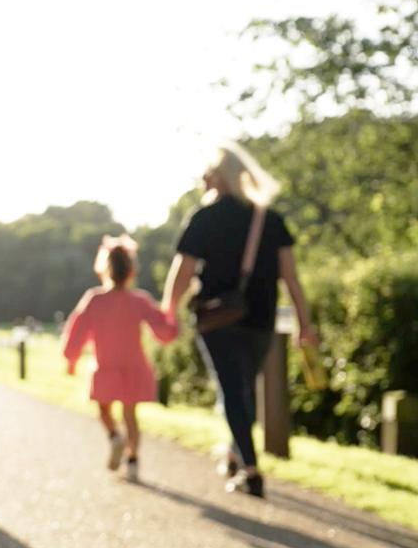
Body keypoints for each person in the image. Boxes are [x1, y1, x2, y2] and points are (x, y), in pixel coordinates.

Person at [162, 143, 317, 498]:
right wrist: (303, 323)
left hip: (217, 319)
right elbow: (291, 278)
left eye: (207, 172)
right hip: (261, 319)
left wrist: (169, 311)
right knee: (241, 389)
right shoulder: (270, 220)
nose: (202, 179)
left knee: (233, 391)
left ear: (220, 176)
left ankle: (250, 469)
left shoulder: (205, 218)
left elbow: (183, 271)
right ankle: (236, 452)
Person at [61, 235, 179, 482]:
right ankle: (133, 462)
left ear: (104, 269)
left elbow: (77, 331)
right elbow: (163, 330)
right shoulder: (140, 300)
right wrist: (172, 315)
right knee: (130, 415)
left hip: (105, 367)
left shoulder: (95, 299)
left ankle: (115, 437)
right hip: (134, 368)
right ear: (131, 271)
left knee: (103, 409)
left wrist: (71, 358)